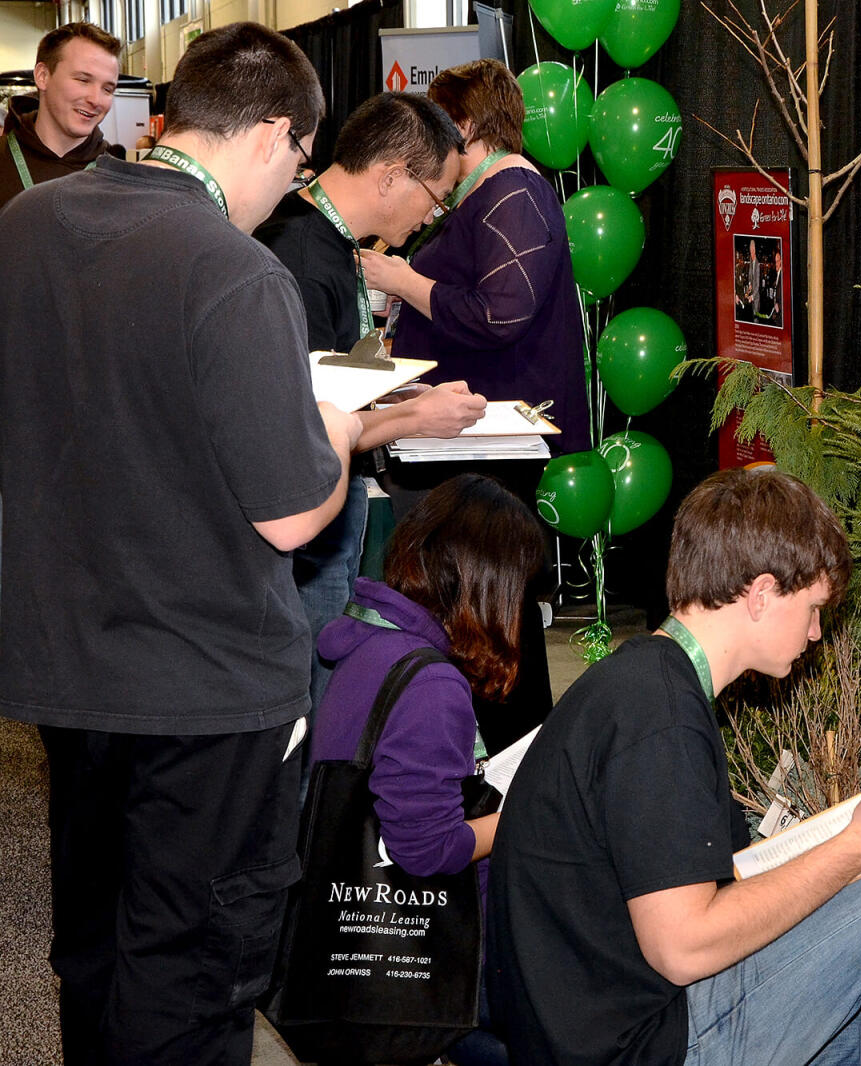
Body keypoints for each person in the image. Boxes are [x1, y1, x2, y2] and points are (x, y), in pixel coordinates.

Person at [0, 23, 363, 1063]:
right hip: (204, 689)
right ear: (275, 134)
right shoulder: (236, 273)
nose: (290, 189)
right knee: (191, 967)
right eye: (299, 164)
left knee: (94, 951)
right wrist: (338, 429)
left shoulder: (26, 224)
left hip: (69, 663)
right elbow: (292, 514)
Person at [487, 469, 861, 1066]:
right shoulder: (660, 715)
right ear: (760, 594)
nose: (814, 632)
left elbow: (744, 880)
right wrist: (859, 849)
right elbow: (684, 946)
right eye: (811, 609)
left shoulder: (643, 684)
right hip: (639, 1045)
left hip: (616, 1029)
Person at [257, 91, 487, 712]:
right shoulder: (301, 258)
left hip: (331, 504)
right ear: (391, 176)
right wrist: (417, 415)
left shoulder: (326, 240)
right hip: (307, 518)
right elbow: (301, 426)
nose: (432, 218)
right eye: (436, 198)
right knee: (308, 701)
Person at [313, 474, 541, 1064]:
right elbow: (425, 850)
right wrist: (525, 813)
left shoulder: (369, 640)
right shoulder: (433, 685)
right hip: (434, 945)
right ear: (489, 586)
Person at [358, 58, 590, 457]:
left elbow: (499, 316)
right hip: (471, 436)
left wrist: (404, 282)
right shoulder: (485, 193)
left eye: (435, 122)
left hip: (500, 439)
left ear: (464, 126)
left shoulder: (513, 194)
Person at [0, 22, 120, 210]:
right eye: (83, 80)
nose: (96, 100)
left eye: (107, 89)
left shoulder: (119, 177)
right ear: (43, 76)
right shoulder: (4, 160)